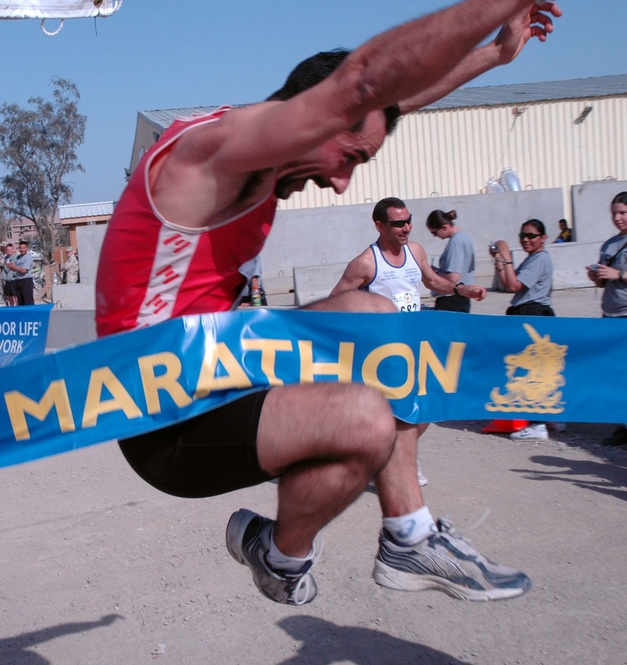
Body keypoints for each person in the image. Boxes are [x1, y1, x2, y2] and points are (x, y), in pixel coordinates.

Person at [95, 1, 556, 606]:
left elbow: (388, 97)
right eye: (349, 160)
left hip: (222, 360)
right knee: (366, 418)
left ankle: (408, 537)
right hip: (164, 414)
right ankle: (280, 558)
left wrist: (493, 55)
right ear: (316, 117)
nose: (341, 182)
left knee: (382, 322)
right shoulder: (214, 156)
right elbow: (367, 80)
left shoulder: (260, 139)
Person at [331, 198, 486, 486]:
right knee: (397, 412)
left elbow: (431, 281)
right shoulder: (366, 263)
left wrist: (461, 289)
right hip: (383, 352)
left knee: (425, 409)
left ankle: (389, 457)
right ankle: (396, 464)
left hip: (415, 345)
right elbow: (335, 301)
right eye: (398, 223)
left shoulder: (415, 251)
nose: (406, 228)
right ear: (379, 225)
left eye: (409, 220)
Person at [490, 218, 555, 441]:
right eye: (522, 236)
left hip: (534, 313)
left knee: (532, 369)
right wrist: (500, 261)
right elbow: (509, 284)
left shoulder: (540, 259)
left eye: (531, 236)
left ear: (543, 238)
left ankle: (538, 422)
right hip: (526, 311)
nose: (526, 240)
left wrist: (507, 258)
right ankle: (547, 415)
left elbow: (515, 285)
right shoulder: (532, 259)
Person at [587, 192, 627, 446]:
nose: (618, 218)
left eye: (623, 212)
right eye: (614, 213)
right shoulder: (610, 244)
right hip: (610, 315)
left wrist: (618, 273)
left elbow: (617, 275)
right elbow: (605, 280)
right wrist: (598, 277)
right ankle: (622, 424)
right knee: (615, 374)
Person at [426, 209, 477, 312]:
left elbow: (453, 277)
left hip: (451, 299)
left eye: (435, 233)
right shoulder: (464, 237)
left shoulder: (456, 242)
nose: (435, 236)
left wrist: (433, 272)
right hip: (460, 297)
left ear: (444, 227)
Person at [8, 240, 35, 306]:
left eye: (24, 248)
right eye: (20, 248)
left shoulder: (28, 257)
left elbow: (24, 270)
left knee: (28, 301)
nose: (22, 249)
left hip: (26, 281)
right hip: (18, 280)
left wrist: (15, 267)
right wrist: (11, 266)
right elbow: (17, 269)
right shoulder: (19, 257)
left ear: (27, 248)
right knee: (20, 302)